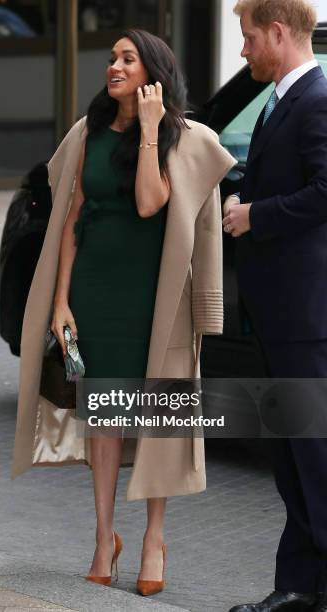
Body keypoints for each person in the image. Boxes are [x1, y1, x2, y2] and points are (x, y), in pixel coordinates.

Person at [12, 29, 235, 595]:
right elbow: (72, 219)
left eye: (127, 59)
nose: (113, 66)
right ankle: (104, 535)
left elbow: (147, 202)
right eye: (111, 58)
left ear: (152, 72)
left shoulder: (179, 138)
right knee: (106, 420)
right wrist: (62, 300)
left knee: (158, 417)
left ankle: (153, 539)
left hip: (155, 299)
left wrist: (151, 127)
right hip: (95, 292)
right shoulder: (88, 132)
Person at [223, 1, 327, 611]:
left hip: (303, 319)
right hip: (278, 315)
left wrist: (254, 214)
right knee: (291, 457)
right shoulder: (283, 99)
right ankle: (297, 585)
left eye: (249, 37)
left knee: (312, 456)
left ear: (280, 33)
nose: (243, 50)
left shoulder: (315, 100)